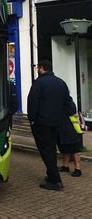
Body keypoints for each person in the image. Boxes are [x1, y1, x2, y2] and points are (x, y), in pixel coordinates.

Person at [27, 59, 75, 191]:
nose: (37, 70)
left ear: (41, 68)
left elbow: (32, 102)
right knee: (52, 149)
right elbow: (69, 104)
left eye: (37, 67)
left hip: (42, 124)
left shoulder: (38, 83)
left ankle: (55, 180)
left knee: (46, 151)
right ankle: (50, 174)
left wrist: (32, 119)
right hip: (57, 123)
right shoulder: (61, 83)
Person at [58, 101, 84, 177]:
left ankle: (77, 169)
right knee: (65, 148)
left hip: (73, 129)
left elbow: (72, 111)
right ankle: (65, 166)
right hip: (64, 129)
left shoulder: (69, 102)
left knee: (75, 149)